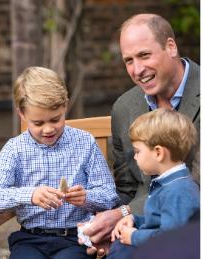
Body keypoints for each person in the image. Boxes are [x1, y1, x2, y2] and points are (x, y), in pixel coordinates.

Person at [80, 13, 200, 256]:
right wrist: (111, 229)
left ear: (170, 46)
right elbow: (126, 187)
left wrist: (125, 216)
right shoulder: (125, 108)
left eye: (144, 55)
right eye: (128, 61)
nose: (137, 70)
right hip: (145, 228)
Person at [0, 66, 120, 259]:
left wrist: (86, 198)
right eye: (38, 123)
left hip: (74, 239)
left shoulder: (84, 142)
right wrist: (30, 195)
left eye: (55, 119)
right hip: (30, 239)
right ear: (22, 114)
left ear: (65, 106)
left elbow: (109, 195)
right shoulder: (14, 149)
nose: (48, 129)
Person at [105, 108, 200, 259]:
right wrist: (135, 219)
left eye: (137, 151)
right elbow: (159, 222)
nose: (135, 157)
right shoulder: (168, 184)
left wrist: (134, 236)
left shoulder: (179, 192)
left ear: (158, 153)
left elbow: (171, 239)